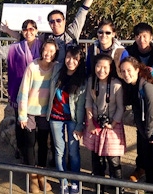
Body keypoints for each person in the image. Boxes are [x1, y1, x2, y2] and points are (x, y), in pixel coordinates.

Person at [1, 0, 102, 63]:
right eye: (52, 21)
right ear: (49, 24)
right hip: (52, 75)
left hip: (70, 73)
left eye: (58, 20)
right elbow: (25, 37)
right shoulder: (46, 37)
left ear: (64, 21)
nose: (55, 23)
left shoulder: (72, 32)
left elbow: (82, 12)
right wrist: (7, 30)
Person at [0, 18, 42, 160]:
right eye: (25, 29)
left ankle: (36, 153)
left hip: (39, 93)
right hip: (20, 93)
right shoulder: (15, 48)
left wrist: (9, 31)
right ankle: (21, 150)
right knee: (20, 122)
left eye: (31, 29)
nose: (28, 32)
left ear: (36, 31)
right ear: (22, 31)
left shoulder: (43, 46)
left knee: (40, 124)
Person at [118, 57, 153, 187]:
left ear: (137, 70)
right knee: (148, 160)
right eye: (123, 71)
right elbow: (137, 112)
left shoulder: (146, 85)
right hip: (148, 127)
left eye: (129, 70)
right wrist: (145, 133)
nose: (126, 74)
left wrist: (149, 132)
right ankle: (150, 187)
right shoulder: (132, 86)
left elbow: (152, 110)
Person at [17, 38, 58, 193]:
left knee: (43, 144)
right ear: (41, 51)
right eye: (46, 50)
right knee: (29, 144)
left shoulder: (56, 67)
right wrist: (22, 116)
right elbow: (23, 92)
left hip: (45, 113)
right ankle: (32, 177)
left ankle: (42, 174)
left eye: (52, 51)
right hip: (29, 112)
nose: (48, 54)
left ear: (55, 53)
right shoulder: (32, 67)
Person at [47, 44, 88, 194]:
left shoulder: (82, 80)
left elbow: (81, 105)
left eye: (75, 59)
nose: (71, 61)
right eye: (69, 57)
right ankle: (63, 182)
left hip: (73, 119)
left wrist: (79, 126)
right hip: (55, 116)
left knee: (73, 152)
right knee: (59, 151)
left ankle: (75, 182)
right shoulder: (58, 70)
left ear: (80, 61)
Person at [83, 54, 126, 191]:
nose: (101, 70)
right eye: (98, 66)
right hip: (95, 123)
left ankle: (117, 186)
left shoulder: (116, 85)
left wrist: (113, 123)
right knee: (96, 159)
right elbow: (88, 101)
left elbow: (121, 107)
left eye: (105, 67)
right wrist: (90, 122)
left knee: (113, 159)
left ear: (111, 68)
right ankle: (99, 186)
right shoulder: (91, 81)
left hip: (113, 124)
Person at [124, 22, 153, 182]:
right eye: (138, 36)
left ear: (151, 37)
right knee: (141, 132)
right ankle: (141, 166)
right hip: (136, 96)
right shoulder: (129, 52)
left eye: (145, 36)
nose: (141, 39)